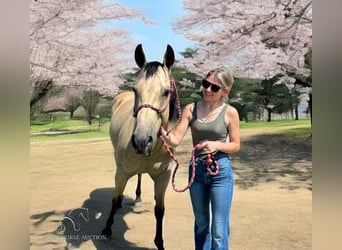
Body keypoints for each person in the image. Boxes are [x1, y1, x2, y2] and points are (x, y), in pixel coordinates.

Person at [161, 67, 240, 250]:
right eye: (205, 84)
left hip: (220, 171)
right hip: (196, 171)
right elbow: (175, 140)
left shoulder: (230, 113)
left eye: (214, 87)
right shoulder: (191, 108)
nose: (208, 90)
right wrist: (161, 130)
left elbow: (236, 144)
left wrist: (217, 145)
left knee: (219, 230)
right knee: (202, 224)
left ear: (225, 91)